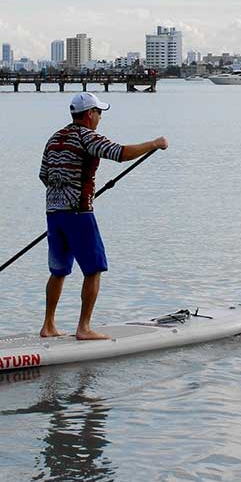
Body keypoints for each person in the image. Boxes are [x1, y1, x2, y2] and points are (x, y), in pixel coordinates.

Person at [39, 92, 168, 340]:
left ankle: (48, 326)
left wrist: (62, 195)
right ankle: (84, 328)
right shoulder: (87, 136)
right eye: (99, 113)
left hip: (54, 213)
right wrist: (154, 144)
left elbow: (44, 175)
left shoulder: (55, 138)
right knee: (93, 269)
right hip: (79, 212)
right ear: (89, 114)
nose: (100, 118)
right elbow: (121, 153)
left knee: (59, 270)